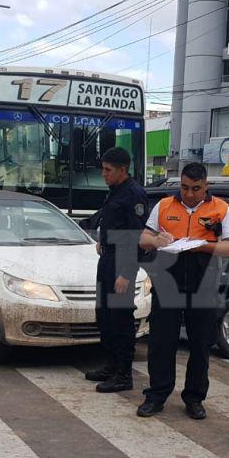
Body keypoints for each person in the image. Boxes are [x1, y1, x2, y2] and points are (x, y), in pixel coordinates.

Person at [137, 163, 229, 419]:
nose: (190, 194)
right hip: (168, 280)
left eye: (196, 188)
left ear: (206, 187)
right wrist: (156, 241)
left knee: (200, 342)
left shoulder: (222, 209)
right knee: (161, 341)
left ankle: (194, 398)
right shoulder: (163, 206)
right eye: (184, 187)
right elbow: (143, 238)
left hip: (203, 281)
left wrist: (202, 246)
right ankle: (156, 395)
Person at [84, 147, 148, 393]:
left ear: (123, 170)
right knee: (105, 316)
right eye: (103, 169)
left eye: (108, 170)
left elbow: (137, 237)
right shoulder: (114, 191)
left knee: (121, 320)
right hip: (108, 258)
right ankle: (110, 366)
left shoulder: (134, 195)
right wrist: (103, 238)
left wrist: (127, 273)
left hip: (123, 262)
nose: (104, 174)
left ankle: (123, 375)